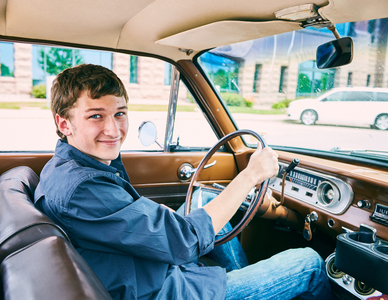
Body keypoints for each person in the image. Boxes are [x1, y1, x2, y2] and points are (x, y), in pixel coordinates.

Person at [34, 63, 333, 300]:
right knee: (307, 262)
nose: (113, 129)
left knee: (203, 201)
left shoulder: (66, 167)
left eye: (120, 113)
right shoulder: (84, 188)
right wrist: (250, 175)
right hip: (161, 290)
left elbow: (137, 227)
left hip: (143, 270)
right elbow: (183, 241)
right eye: (96, 116)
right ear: (64, 123)